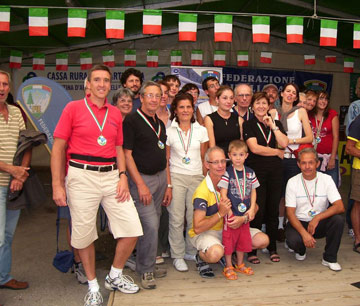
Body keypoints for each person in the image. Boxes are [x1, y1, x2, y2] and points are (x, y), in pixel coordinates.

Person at [51, 65, 143, 306]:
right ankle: (93, 286)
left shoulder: (114, 113)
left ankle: (114, 275)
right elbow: (58, 148)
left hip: (111, 175)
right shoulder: (73, 108)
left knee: (132, 227)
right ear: (88, 84)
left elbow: (117, 148)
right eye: (97, 80)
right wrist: (57, 185)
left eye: (106, 80)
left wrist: (123, 175)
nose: (101, 84)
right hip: (81, 176)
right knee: (84, 236)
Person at [189, 146, 269, 278]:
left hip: (233, 227)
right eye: (215, 162)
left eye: (223, 161)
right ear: (207, 165)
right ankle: (202, 256)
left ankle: (230, 253)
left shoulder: (234, 179)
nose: (220, 166)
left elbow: (255, 207)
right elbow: (197, 228)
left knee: (263, 240)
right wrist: (220, 213)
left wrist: (243, 219)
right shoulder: (202, 191)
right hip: (209, 231)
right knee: (215, 253)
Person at [123, 81, 172, 290]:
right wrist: (140, 184)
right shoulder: (132, 121)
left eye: (157, 95)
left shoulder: (159, 122)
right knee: (150, 225)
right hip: (142, 180)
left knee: (156, 220)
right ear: (141, 98)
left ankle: (148, 264)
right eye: (149, 95)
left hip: (160, 177)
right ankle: (146, 270)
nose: (153, 99)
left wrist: (167, 184)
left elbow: (163, 152)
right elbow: (127, 155)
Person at [243, 92, 288, 263]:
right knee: (257, 209)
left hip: (276, 172)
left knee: (273, 209)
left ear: (269, 106)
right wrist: (276, 152)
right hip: (257, 173)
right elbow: (254, 148)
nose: (261, 106)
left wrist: (274, 127)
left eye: (264, 103)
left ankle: (272, 247)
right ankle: (252, 249)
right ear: (252, 106)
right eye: (258, 103)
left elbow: (284, 143)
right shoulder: (249, 125)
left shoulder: (276, 124)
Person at [166, 93, 208, 272]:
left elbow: (204, 157)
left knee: (194, 217)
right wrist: (168, 184)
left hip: (196, 177)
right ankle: (177, 255)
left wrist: (205, 180)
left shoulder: (201, 130)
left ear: (193, 109)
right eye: (181, 107)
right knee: (176, 218)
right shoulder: (169, 130)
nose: (185, 111)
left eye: (188, 107)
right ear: (175, 109)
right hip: (176, 177)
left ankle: (191, 250)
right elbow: (165, 160)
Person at [285, 148, 345, 271]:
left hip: (319, 222)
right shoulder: (292, 182)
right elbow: (290, 213)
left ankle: (329, 258)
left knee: (338, 220)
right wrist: (304, 234)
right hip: (299, 221)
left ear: (317, 163)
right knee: (294, 240)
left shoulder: (326, 179)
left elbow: (340, 207)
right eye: (303, 163)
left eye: (311, 162)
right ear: (298, 164)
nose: (307, 167)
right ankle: (300, 250)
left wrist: (317, 217)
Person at [0, 70, 31, 290]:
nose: (1, 88)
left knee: (8, 236)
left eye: (4, 84)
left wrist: (21, 172)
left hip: (14, 184)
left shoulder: (15, 112)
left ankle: (3, 277)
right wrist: (12, 170)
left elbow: (26, 143)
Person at [274, 83, 313, 242]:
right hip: (276, 158)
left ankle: (293, 227)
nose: (290, 94)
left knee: (294, 195)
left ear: (296, 97)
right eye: (287, 91)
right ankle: (279, 227)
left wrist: (290, 140)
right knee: (279, 195)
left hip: (293, 159)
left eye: (293, 93)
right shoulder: (272, 112)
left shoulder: (301, 111)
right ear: (281, 94)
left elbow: (310, 137)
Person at [218, 140, 259, 279]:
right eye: (234, 154)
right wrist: (228, 212)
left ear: (246, 156)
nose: (238, 158)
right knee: (229, 241)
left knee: (243, 240)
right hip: (231, 214)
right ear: (229, 155)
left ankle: (240, 264)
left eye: (241, 154)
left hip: (245, 214)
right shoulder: (227, 173)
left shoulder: (250, 172)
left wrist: (252, 208)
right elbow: (223, 193)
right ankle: (228, 265)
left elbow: (253, 191)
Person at [308, 90, 339, 186]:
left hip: (329, 157)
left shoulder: (332, 114)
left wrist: (333, 158)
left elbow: (336, 136)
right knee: (313, 187)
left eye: (326, 99)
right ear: (316, 100)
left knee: (331, 188)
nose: (323, 101)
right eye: (321, 98)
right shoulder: (308, 114)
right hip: (313, 157)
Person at [204, 85, 243, 156]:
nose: (228, 101)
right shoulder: (209, 119)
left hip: (236, 159)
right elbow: (212, 146)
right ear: (217, 99)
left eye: (231, 98)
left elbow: (242, 145)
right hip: (218, 159)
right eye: (225, 98)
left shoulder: (239, 119)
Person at [345, 115, 360, 254]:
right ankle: (358, 240)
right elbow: (349, 148)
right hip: (359, 169)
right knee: (358, 203)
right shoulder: (358, 121)